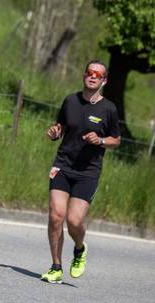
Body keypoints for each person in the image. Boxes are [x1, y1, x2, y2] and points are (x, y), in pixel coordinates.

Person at [40, 60, 121, 284]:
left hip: (88, 172)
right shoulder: (70, 101)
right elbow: (61, 127)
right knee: (56, 215)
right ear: (84, 75)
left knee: (74, 221)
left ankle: (79, 248)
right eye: (90, 72)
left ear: (104, 81)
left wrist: (101, 140)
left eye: (98, 74)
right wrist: (55, 132)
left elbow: (117, 140)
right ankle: (56, 266)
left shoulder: (109, 109)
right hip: (63, 165)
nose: (93, 76)